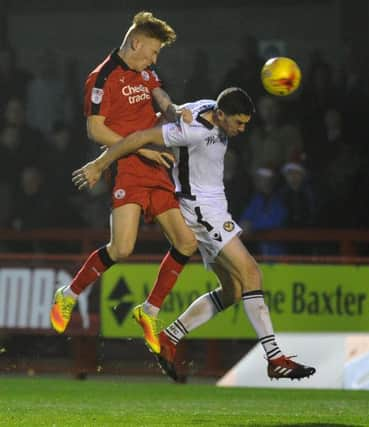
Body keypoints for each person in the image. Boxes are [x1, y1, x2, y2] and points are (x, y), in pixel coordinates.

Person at [72, 87, 316, 381]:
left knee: (234, 291)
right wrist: (100, 164)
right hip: (201, 212)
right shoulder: (192, 130)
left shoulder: (209, 106)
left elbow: (171, 109)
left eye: (245, 123)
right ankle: (275, 357)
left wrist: (171, 108)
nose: (241, 129)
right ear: (222, 115)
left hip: (213, 209)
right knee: (252, 273)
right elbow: (140, 138)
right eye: (238, 123)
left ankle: (169, 338)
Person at [50, 11, 198, 355]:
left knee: (186, 243)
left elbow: (160, 96)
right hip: (129, 167)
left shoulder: (146, 71)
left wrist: (176, 111)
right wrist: (143, 148)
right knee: (122, 249)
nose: (155, 58)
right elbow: (95, 130)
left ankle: (149, 311)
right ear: (137, 43)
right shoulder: (102, 77)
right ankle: (68, 294)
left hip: (157, 167)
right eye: (154, 51)